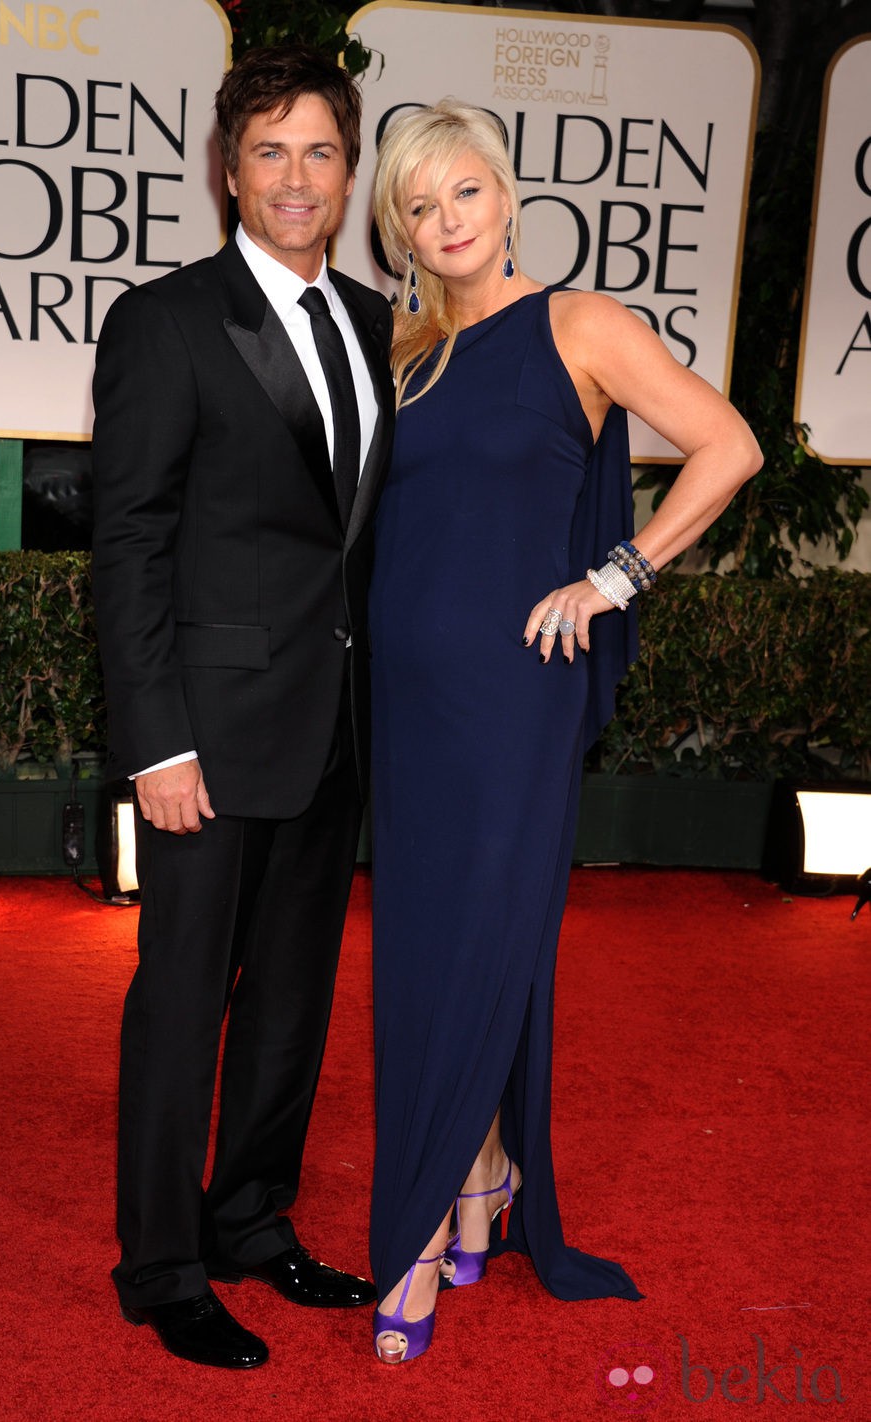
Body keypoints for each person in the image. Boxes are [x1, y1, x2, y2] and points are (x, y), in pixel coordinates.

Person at [367, 99, 762, 1364]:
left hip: (507, 699)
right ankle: (483, 1172)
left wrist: (615, 577)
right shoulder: (407, 349)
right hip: (405, 705)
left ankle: (419, 1228)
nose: (443, 225)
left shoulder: (577, 323)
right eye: (417, 209)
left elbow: (728, 447)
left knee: (455, 953)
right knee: (433, 941)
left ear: (505, 193)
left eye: (462, 194)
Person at [90, 44, 394, 1371]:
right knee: (181, 998)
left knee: (292, 996)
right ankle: (160, 1263)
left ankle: (251, 1216)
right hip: (203, 738)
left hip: (334, 727)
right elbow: (130, 541)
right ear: (228, 169)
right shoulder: (165, 322)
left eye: (320, 151)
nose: (295, 177)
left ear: (349, 171)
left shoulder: (382, 327)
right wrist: (156, 736)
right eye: (268, 151)